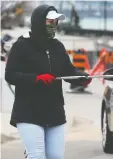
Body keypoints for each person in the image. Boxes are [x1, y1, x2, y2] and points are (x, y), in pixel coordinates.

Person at [5, 4, 92, 159]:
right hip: (28, 112)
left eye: (55, 22)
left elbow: (68, 70)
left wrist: (82, 78)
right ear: (39, 22)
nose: (53, 26)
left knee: (56, 156)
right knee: (37, 155)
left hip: (54, 113)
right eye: (50, 22)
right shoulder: (22, 45)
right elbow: (10, 75)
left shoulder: (58, 46)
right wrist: (36, 78)